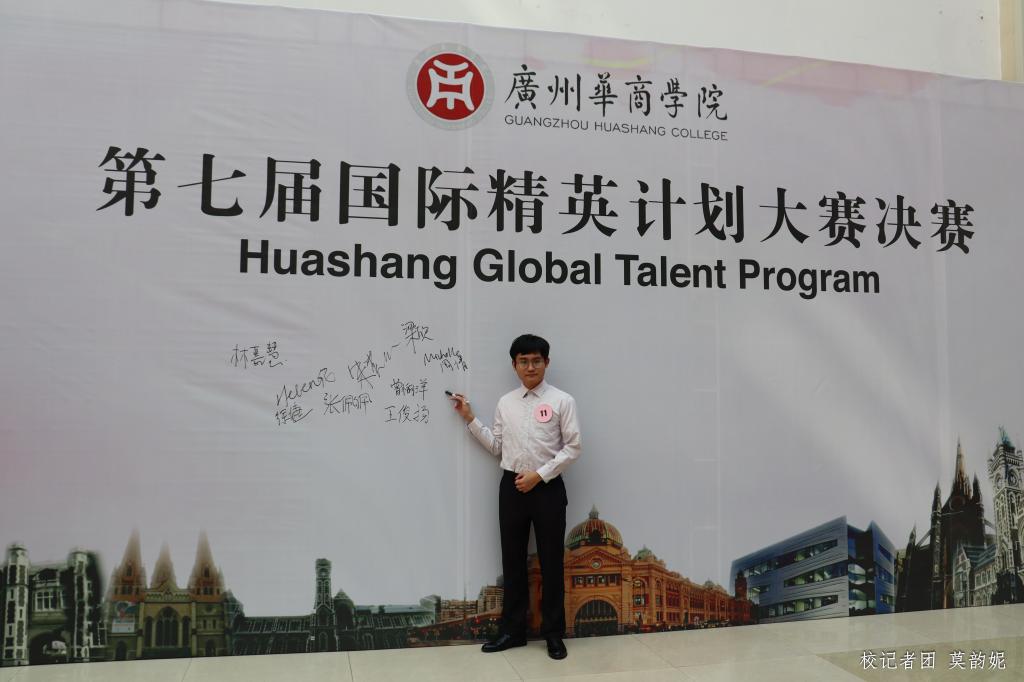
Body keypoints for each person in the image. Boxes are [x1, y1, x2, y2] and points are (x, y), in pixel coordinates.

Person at [450, 333, 581, 660]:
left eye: (536, 360)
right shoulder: (505, 403)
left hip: (547, 487)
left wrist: (540, 475)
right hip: (512, 487)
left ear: (546, 362)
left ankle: (553, 634)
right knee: (512, 562)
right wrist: (469, 418)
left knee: (551, 563)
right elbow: (498, 447)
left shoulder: (562, 401)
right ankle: (512, 631)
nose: (530, 367)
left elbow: (573, 447)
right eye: (524, 361)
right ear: (514, 365)